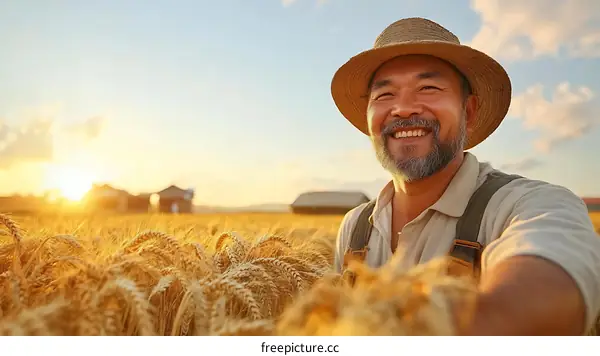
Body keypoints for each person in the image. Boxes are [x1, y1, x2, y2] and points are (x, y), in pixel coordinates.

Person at [330, 17, 600, 335]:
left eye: (428, 88)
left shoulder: (530, 205)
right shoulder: (355, 228)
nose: (402, 109)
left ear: (468, 112)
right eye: (384, 95)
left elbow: (552, 294)